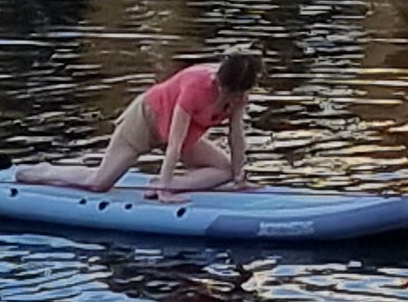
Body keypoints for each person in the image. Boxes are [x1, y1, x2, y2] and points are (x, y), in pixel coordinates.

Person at [21, 51, 261, 197]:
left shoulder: (238, 98)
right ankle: (44, 171)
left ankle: (167, 183)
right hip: (146, 121)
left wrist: (240, 177)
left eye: (242, 93)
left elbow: (236, 137)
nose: (239, 99)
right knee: (99, 184)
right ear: (222, 85)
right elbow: (174, 144)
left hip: (180, 136)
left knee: (226, 170)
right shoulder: (196, 86)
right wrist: (164, 190)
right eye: (234, 93)